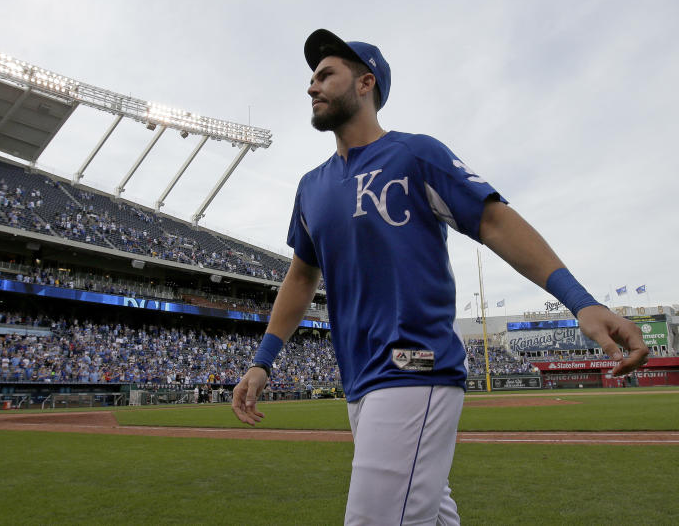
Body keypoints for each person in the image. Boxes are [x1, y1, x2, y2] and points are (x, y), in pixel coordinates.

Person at [231, 29, 650, 525]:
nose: (311, 87)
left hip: (414, 365)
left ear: (365, 83)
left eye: (326, 75)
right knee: (428, 514)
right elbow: (301, 277)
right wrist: (263, 361)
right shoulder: (311, 187)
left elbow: (494, 221)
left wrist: (581, 302)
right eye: (311, 78)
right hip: (359, 379)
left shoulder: (415, 154)